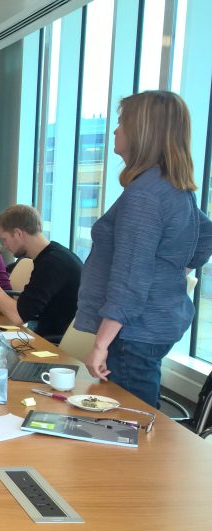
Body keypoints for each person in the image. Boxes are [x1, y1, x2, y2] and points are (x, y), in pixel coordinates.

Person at [76, 91, 212, 407]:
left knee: (129, 419)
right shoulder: (171, 185)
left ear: (142, 132)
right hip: (154, 322)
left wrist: (100, 344)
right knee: (134, 414)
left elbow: (129, 279)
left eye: (122, 122)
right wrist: (171, 273)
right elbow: (205, 233)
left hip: (133, 331)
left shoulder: (145, 195)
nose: (115, 130)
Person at [0, 205, 82, 343]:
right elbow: (30, 305)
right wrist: (2, 301)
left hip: (53, 343)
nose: (5, 246)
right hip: (43, 330)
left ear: (18, 233)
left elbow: (17, 316)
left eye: (5, 239)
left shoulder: (52, 264)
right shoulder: (52, 255)